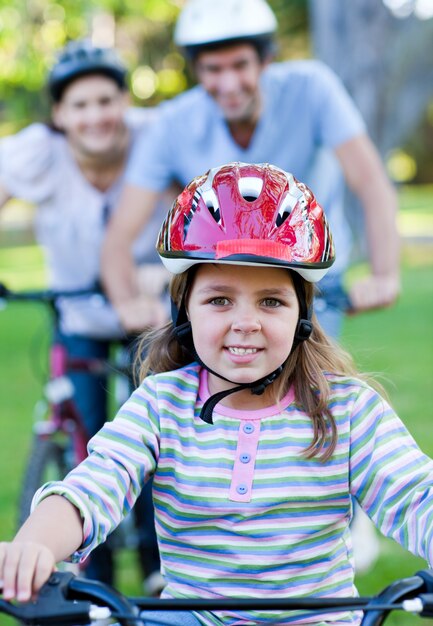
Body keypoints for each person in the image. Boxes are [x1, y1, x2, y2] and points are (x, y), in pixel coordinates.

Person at [1, 162, 433, 626]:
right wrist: (36, 544)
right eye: (219, 300)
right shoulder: (160, 405)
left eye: (271, 301)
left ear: (303, 313)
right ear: (184, 309)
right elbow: (94, 485)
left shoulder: (347, 410)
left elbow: (415, 493)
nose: (245, 322)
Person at [100, 0, 400, 341]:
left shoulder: (312, 89)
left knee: (310, 384)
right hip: (219, 275)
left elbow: (371, 183)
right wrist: (128, 303)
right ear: (196, 70)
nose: (228, 83)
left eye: (240, 65)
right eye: (213, 69)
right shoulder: (172, 123)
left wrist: (384, 274)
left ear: (265, 60)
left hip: (308, 273)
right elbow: (120, 233)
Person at [0, 39, 166, 594]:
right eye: (79, 105)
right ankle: (87, 575)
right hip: (78, 311)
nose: (95, 116)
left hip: (152, 312)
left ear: (125, 102)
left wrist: (164, 274)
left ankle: (155, 564)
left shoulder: (157, 138)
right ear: (58, 115)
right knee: (89, 438)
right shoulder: (37, 152)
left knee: (157, 434)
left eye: (105, 100)